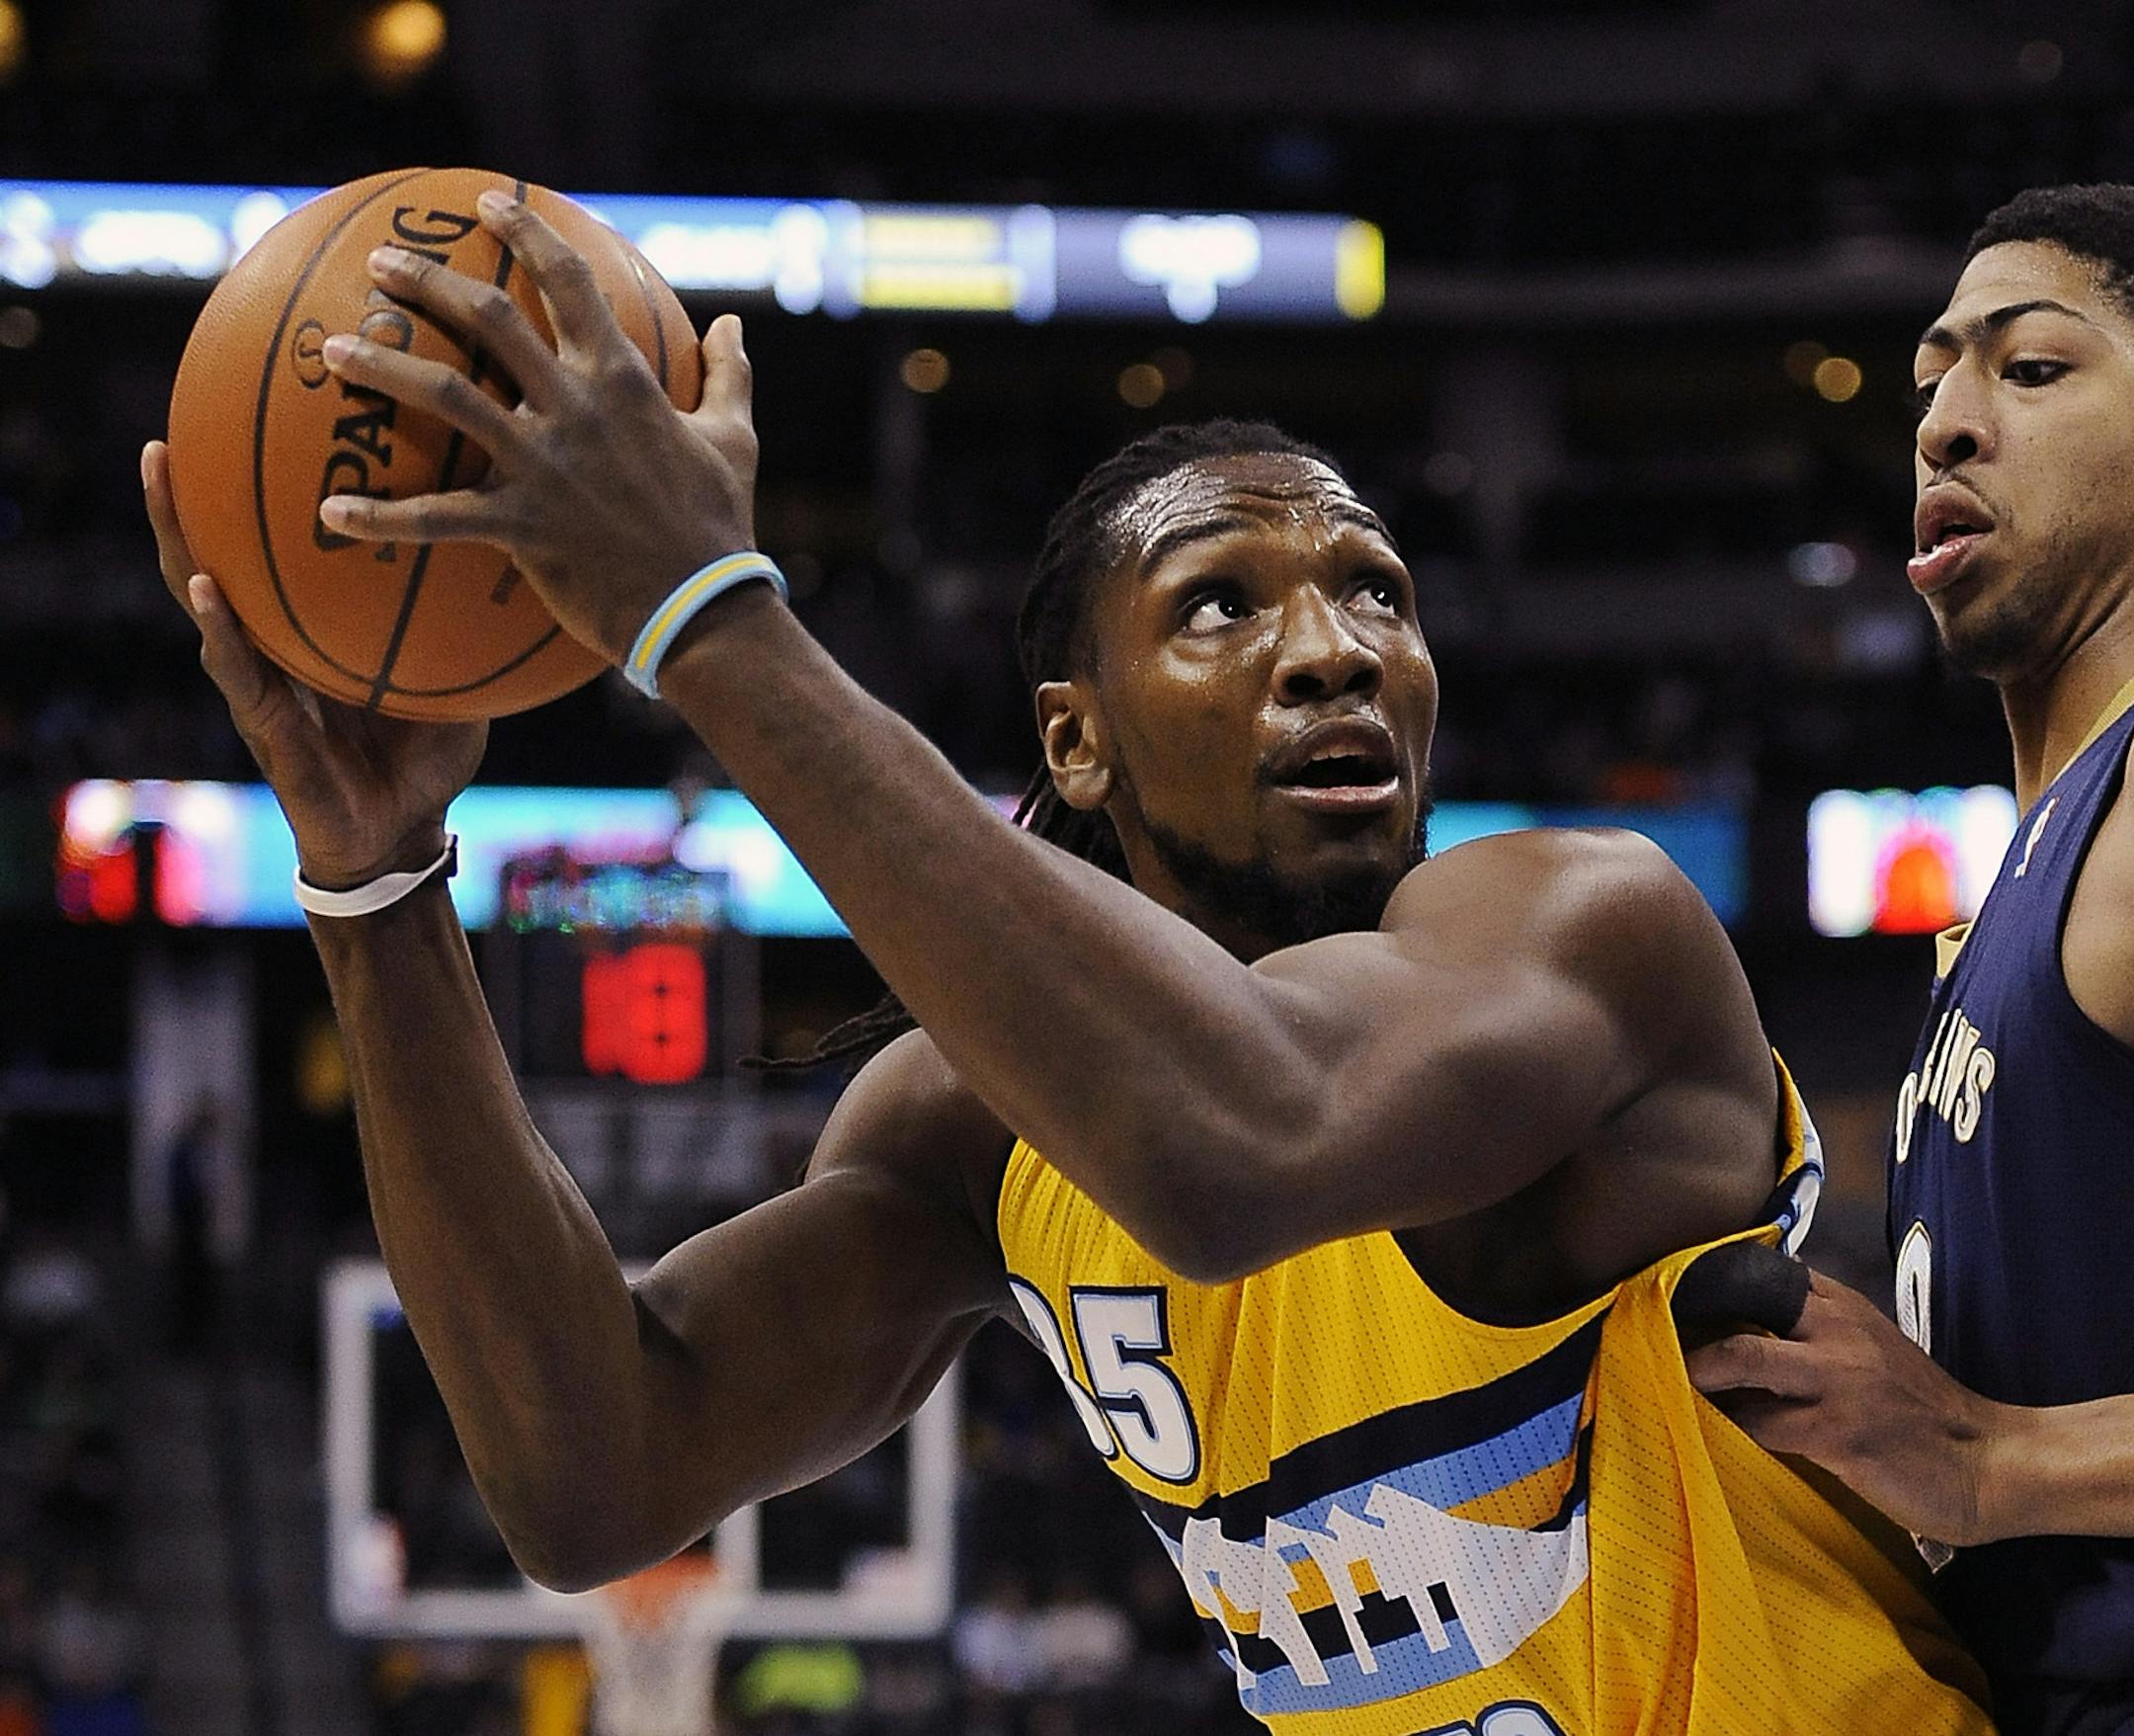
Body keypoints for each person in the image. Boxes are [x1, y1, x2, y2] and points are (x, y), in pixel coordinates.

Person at [141, 192, 1989, 1733]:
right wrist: (377, 885)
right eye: (1221, 604)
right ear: (1074, 741)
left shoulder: (1586, 926)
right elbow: (591, 1472)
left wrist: (703, 613)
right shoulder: (972, 1132)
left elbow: (1243, 1142)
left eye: (1377, 591)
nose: (1336, 648)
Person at [1686, 184, 2134, 1736]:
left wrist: (1993, 1460)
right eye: (1932, 381)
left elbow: (1986, 1454)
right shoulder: (2034, 864)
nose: (1942, 425)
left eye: (2031, 366)